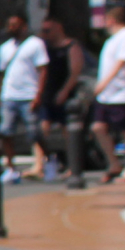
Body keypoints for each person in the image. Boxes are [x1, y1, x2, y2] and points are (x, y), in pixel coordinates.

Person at [92, 0, 125, 182]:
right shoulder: (112, 40)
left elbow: (121, 62)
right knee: (98, 127)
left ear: (111, 19)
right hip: (107, 95)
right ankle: (113, 163)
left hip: (122, 93)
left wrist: (103, 83)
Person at [0, 13, 48, 182]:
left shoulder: (35, 44)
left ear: (24, 26)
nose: (12, 28)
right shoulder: (5, 48)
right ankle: (11, 168)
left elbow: (43, 70)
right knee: (5, 132)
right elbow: (2, 74)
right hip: (9, 96)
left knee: (34, 133)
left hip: (29, 95)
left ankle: (47, 160)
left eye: (15, 25)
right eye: (10, 25)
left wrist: (39, 94)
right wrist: (0, 96)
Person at [38, 15, 87, 179]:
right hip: (47, 92)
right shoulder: (44, 47)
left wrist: (65, 91)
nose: (45, 33)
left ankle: (74, 166)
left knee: (69, 131)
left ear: (58, 27)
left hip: (64, 92)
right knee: (41, 129)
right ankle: (40, 165)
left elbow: (75, 71)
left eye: (48, 30)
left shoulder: (71, 46)